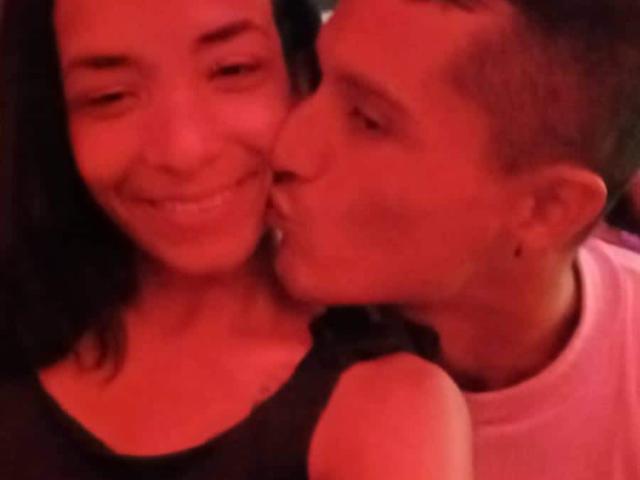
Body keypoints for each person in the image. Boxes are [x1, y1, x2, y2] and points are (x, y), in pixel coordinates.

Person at [0, 0, 471, 479]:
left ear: (302, 77)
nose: (183, 151)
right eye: (111, 96)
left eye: (232, 70)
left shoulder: (386, 410)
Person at [270, 0, 640, 478]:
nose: (286, 149)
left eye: (367, 120)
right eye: (315, 78)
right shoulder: (233, 340)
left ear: (546, 208)